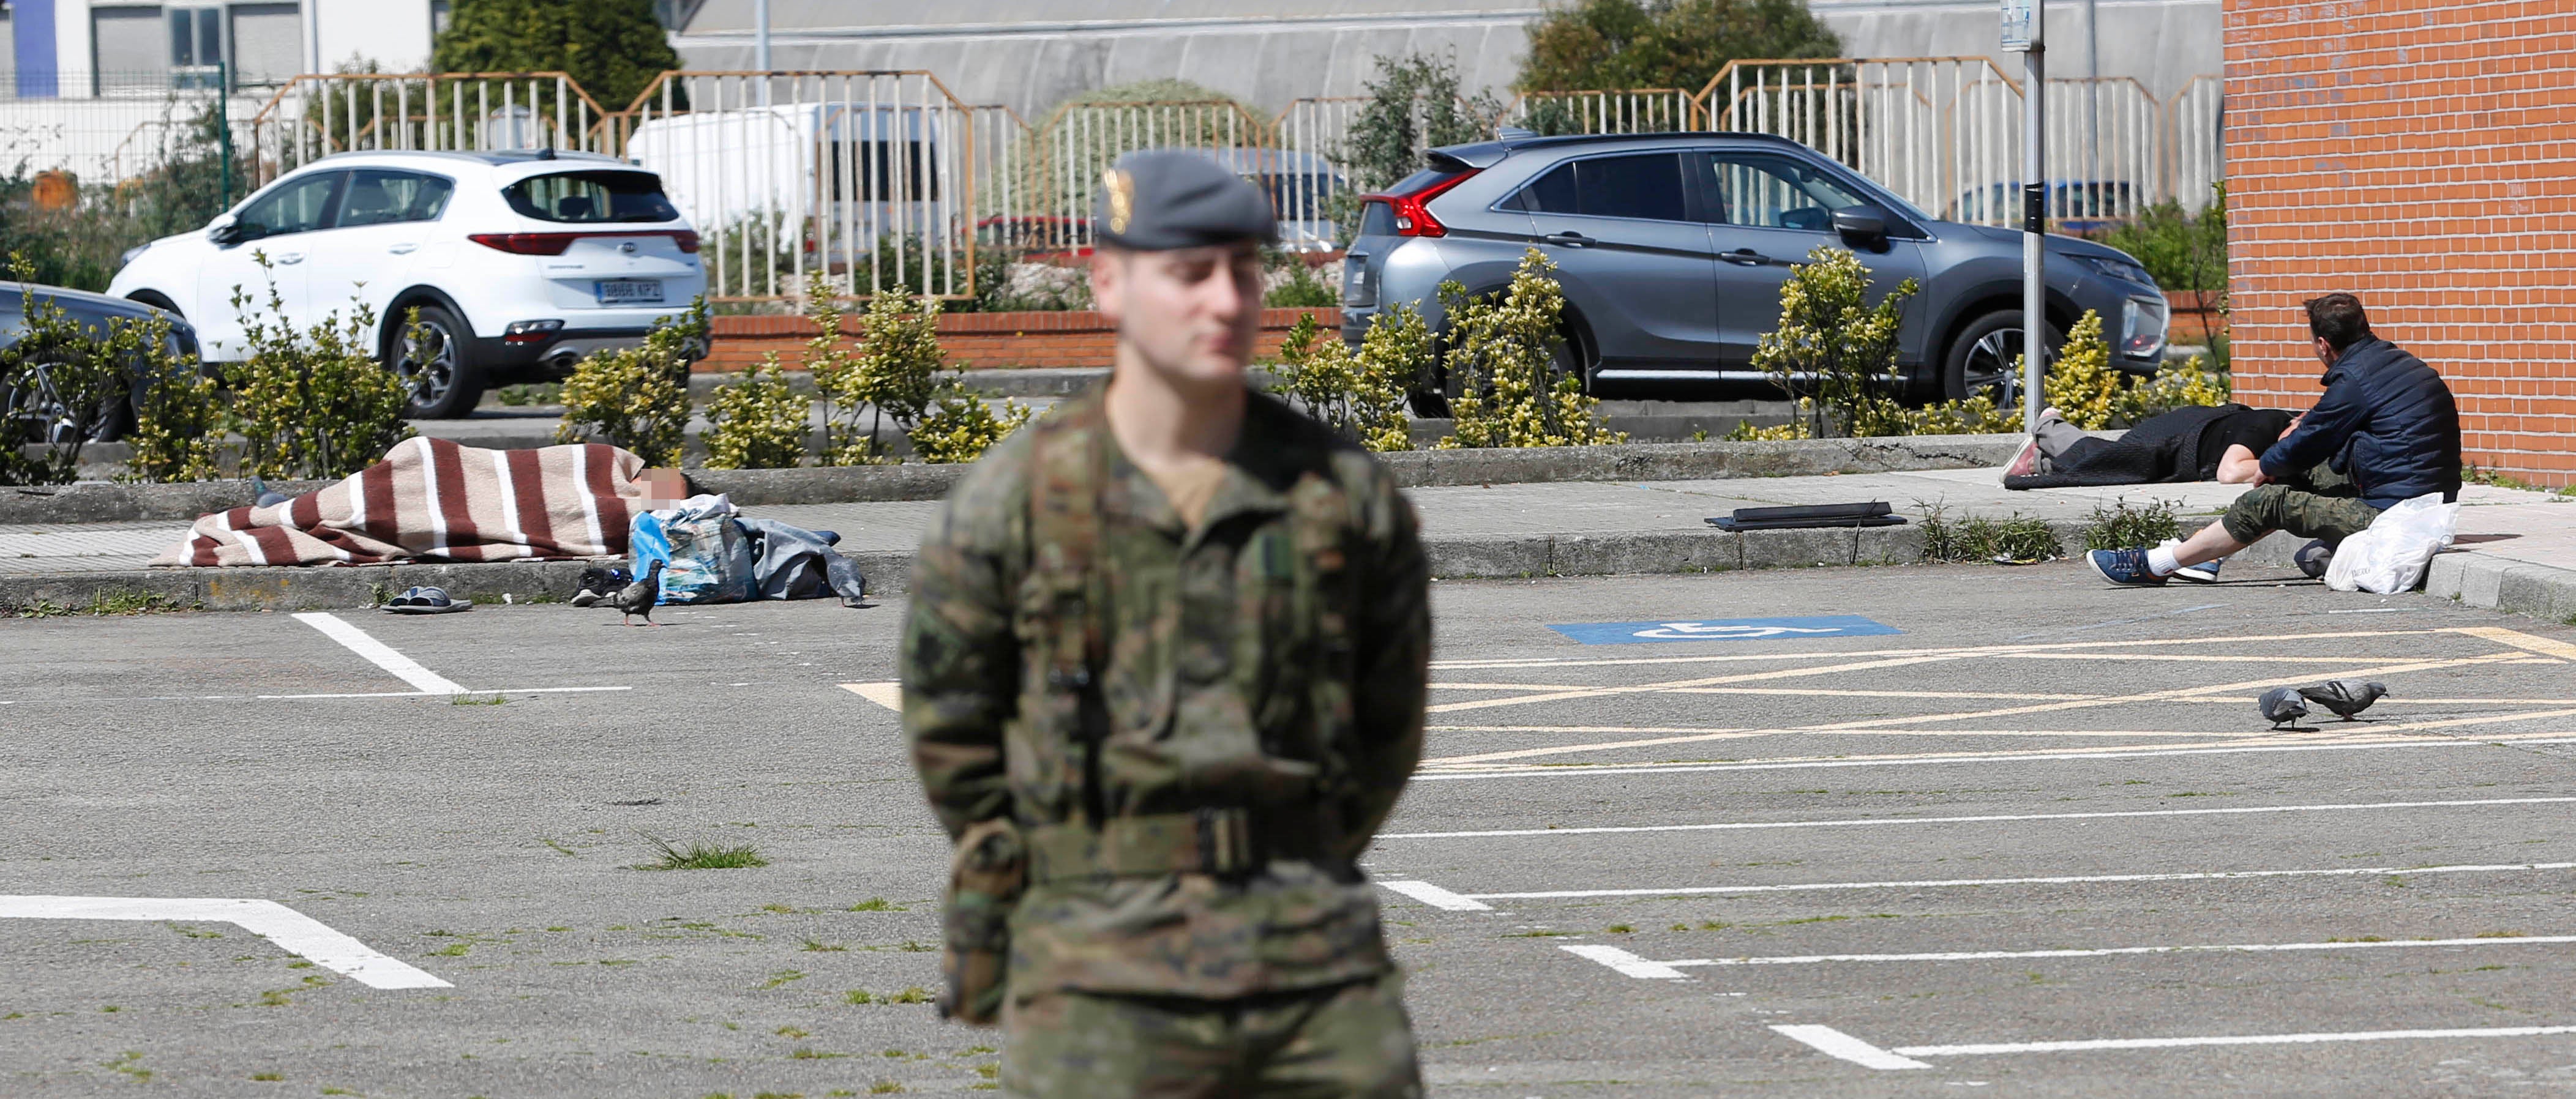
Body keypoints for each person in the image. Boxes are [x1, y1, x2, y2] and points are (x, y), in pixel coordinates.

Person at [900, 149, 1432, 1098]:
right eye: (1189, 274)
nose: (1225, 302)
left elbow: (1386, 729)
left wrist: (1290, 845)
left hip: (1310, 963)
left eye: (1243, 269)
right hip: (1099, 973)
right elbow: (951, 726)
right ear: (1107, 282)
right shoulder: (1018, 500)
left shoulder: (1339, 494)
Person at [2087, 293, 2462, 587]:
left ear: (2322, 344)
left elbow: (2312, 439)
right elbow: (2327, 423)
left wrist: (2267, 465)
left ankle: (2156, 566)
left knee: (2269, 500)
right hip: (2419, 497)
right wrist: (2293, 444)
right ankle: (2203, 555)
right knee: (2298, 480)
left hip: (2393, 512)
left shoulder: (2354, 381)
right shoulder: (2394, 364)